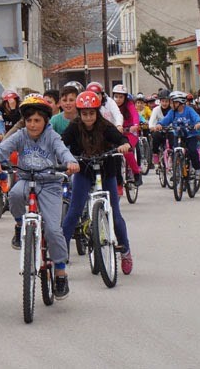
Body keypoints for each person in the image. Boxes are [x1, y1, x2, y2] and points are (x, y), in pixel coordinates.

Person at [0, 94, 78, 300]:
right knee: (15, 194)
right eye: (29, 121)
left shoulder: (52, 136)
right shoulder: (20, 135)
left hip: (50, 184)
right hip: (26, 179)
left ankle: (61, 271)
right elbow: (2, 149)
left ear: (46, 121)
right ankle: (20, 225)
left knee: (54, 230)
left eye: (37, 120)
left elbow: (63, 152)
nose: (33, 124)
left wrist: (71, 163)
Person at [61, 90, 134, 275]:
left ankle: (125, 250)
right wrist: (66, 159)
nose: (88, 117)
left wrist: (124, 144)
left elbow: (121, 138)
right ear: (79, 113)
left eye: (91, 113)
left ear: (97, 112)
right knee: (74, 212)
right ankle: (60, 255)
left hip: (106, 170)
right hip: (83, 171)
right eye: (84, 113)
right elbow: (61, 144)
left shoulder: (105, 126)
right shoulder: (74, 127)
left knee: (116, 214)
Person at [154, 91, 200, 181]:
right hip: (178, 135)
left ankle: (198, 169)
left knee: (192, 151)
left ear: (179, 103)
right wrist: (159, 124)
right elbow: (166, 120)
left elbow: (196, 117)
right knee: (175, 152)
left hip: (191, 135)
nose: (170, 104)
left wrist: (198, 123)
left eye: (172, 102)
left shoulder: (189, 110)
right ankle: (176, 171)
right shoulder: (172, 112)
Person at [111, 84, 142, 187]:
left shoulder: (130, 105)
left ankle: (137, 173)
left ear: (125, 97)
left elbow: (135, 116)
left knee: (127, 151)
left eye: (121, 97)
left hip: (130, 132)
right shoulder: (111, 106)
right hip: (117, 133)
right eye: (116, 96)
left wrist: (135, 125)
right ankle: (117, 181)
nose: (118, 99)